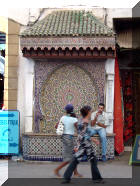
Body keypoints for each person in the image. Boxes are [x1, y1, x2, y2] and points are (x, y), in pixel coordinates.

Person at [62, 105, 104, 184]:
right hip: (85, 144)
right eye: (90, 111)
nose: (91, 112)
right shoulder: (85, 122)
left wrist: (95, 118)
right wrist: (93, 140)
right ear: (88, 112)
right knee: (92, 160)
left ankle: (66, 178)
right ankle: (96, 178)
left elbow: (83, 133)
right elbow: (83, 134)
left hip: (83, 143)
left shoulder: (83, 120)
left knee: (76, 160)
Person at [54, 104, 82, 178]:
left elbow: (56, 126)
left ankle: (75, 173)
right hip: (69, 138)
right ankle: (57, 170)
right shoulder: (74, 119)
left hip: (64, 137)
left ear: (66, 111)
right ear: (73, 110)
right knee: (69, 158)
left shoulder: (63, 117)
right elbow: (78, 130)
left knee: (73, 156)